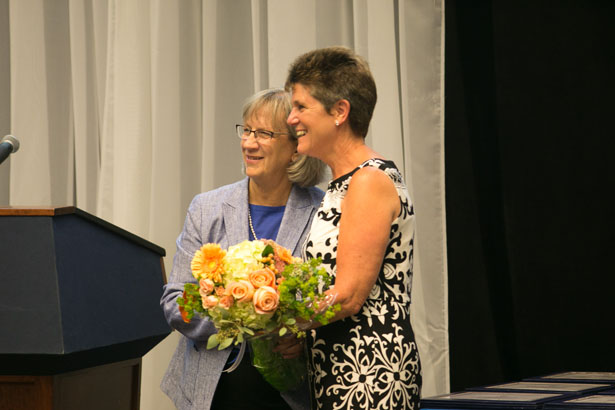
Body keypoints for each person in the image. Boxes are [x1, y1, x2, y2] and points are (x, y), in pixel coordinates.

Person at [160, 88, 326, 410]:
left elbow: (334, 304)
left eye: (264, 133)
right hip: (211, 393)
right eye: (247, 130)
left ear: (296, 148)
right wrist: (235, 314)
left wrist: (302, 336)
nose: (249, 143)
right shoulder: (207, 208)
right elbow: (175, 301)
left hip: (291, 395)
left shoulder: (324, 212)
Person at [285, 46, 422, 409]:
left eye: (301, 106)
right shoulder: (342, 183)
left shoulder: (368, 181)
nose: (290, 119)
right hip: (340, 368)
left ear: (340, 112)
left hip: (368, 371)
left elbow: (347, 296)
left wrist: (278, 322)